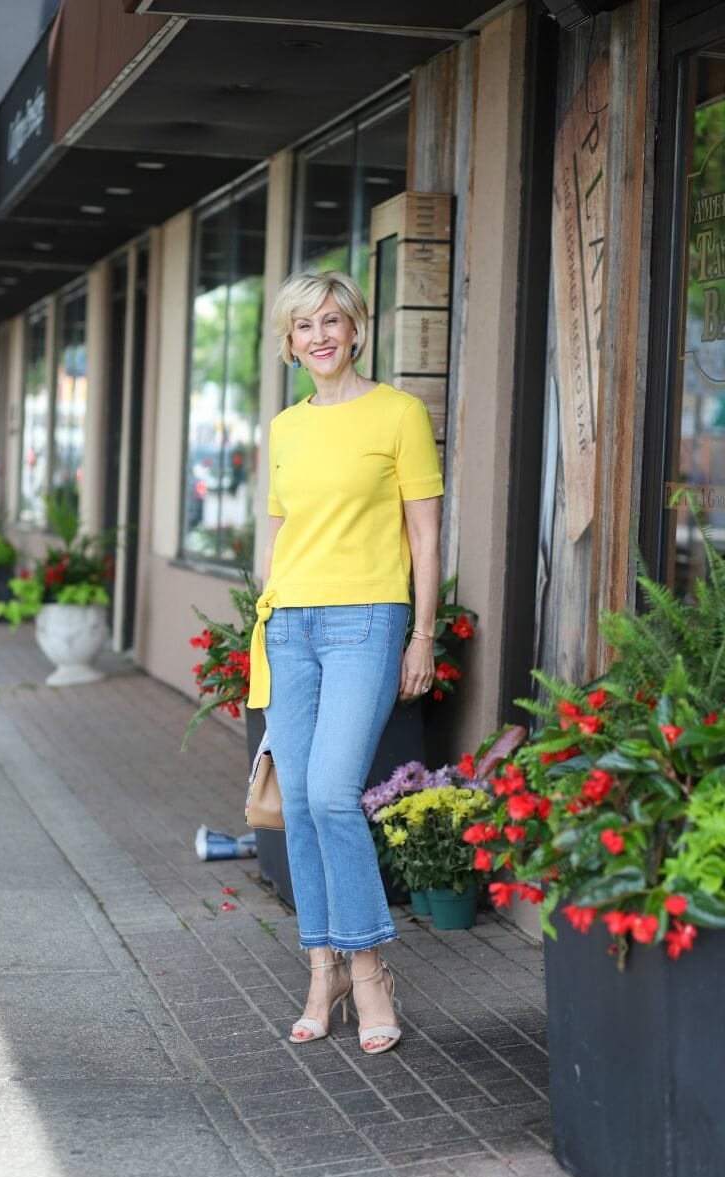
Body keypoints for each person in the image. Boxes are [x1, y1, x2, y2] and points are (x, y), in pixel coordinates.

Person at [248, 270, 443, 1055]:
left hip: (367, 620)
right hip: (288, 626)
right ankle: (320, 971)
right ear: (290, 343)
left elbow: (425, 534)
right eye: (304, 326)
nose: (320, 336)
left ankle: (369, 972)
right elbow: (277, 532)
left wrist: (423, 634)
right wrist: (264, 610)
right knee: (298, 801)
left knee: (331, 793)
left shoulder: (399, 413)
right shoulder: (285, 428)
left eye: (332, 320)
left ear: (357, 328)